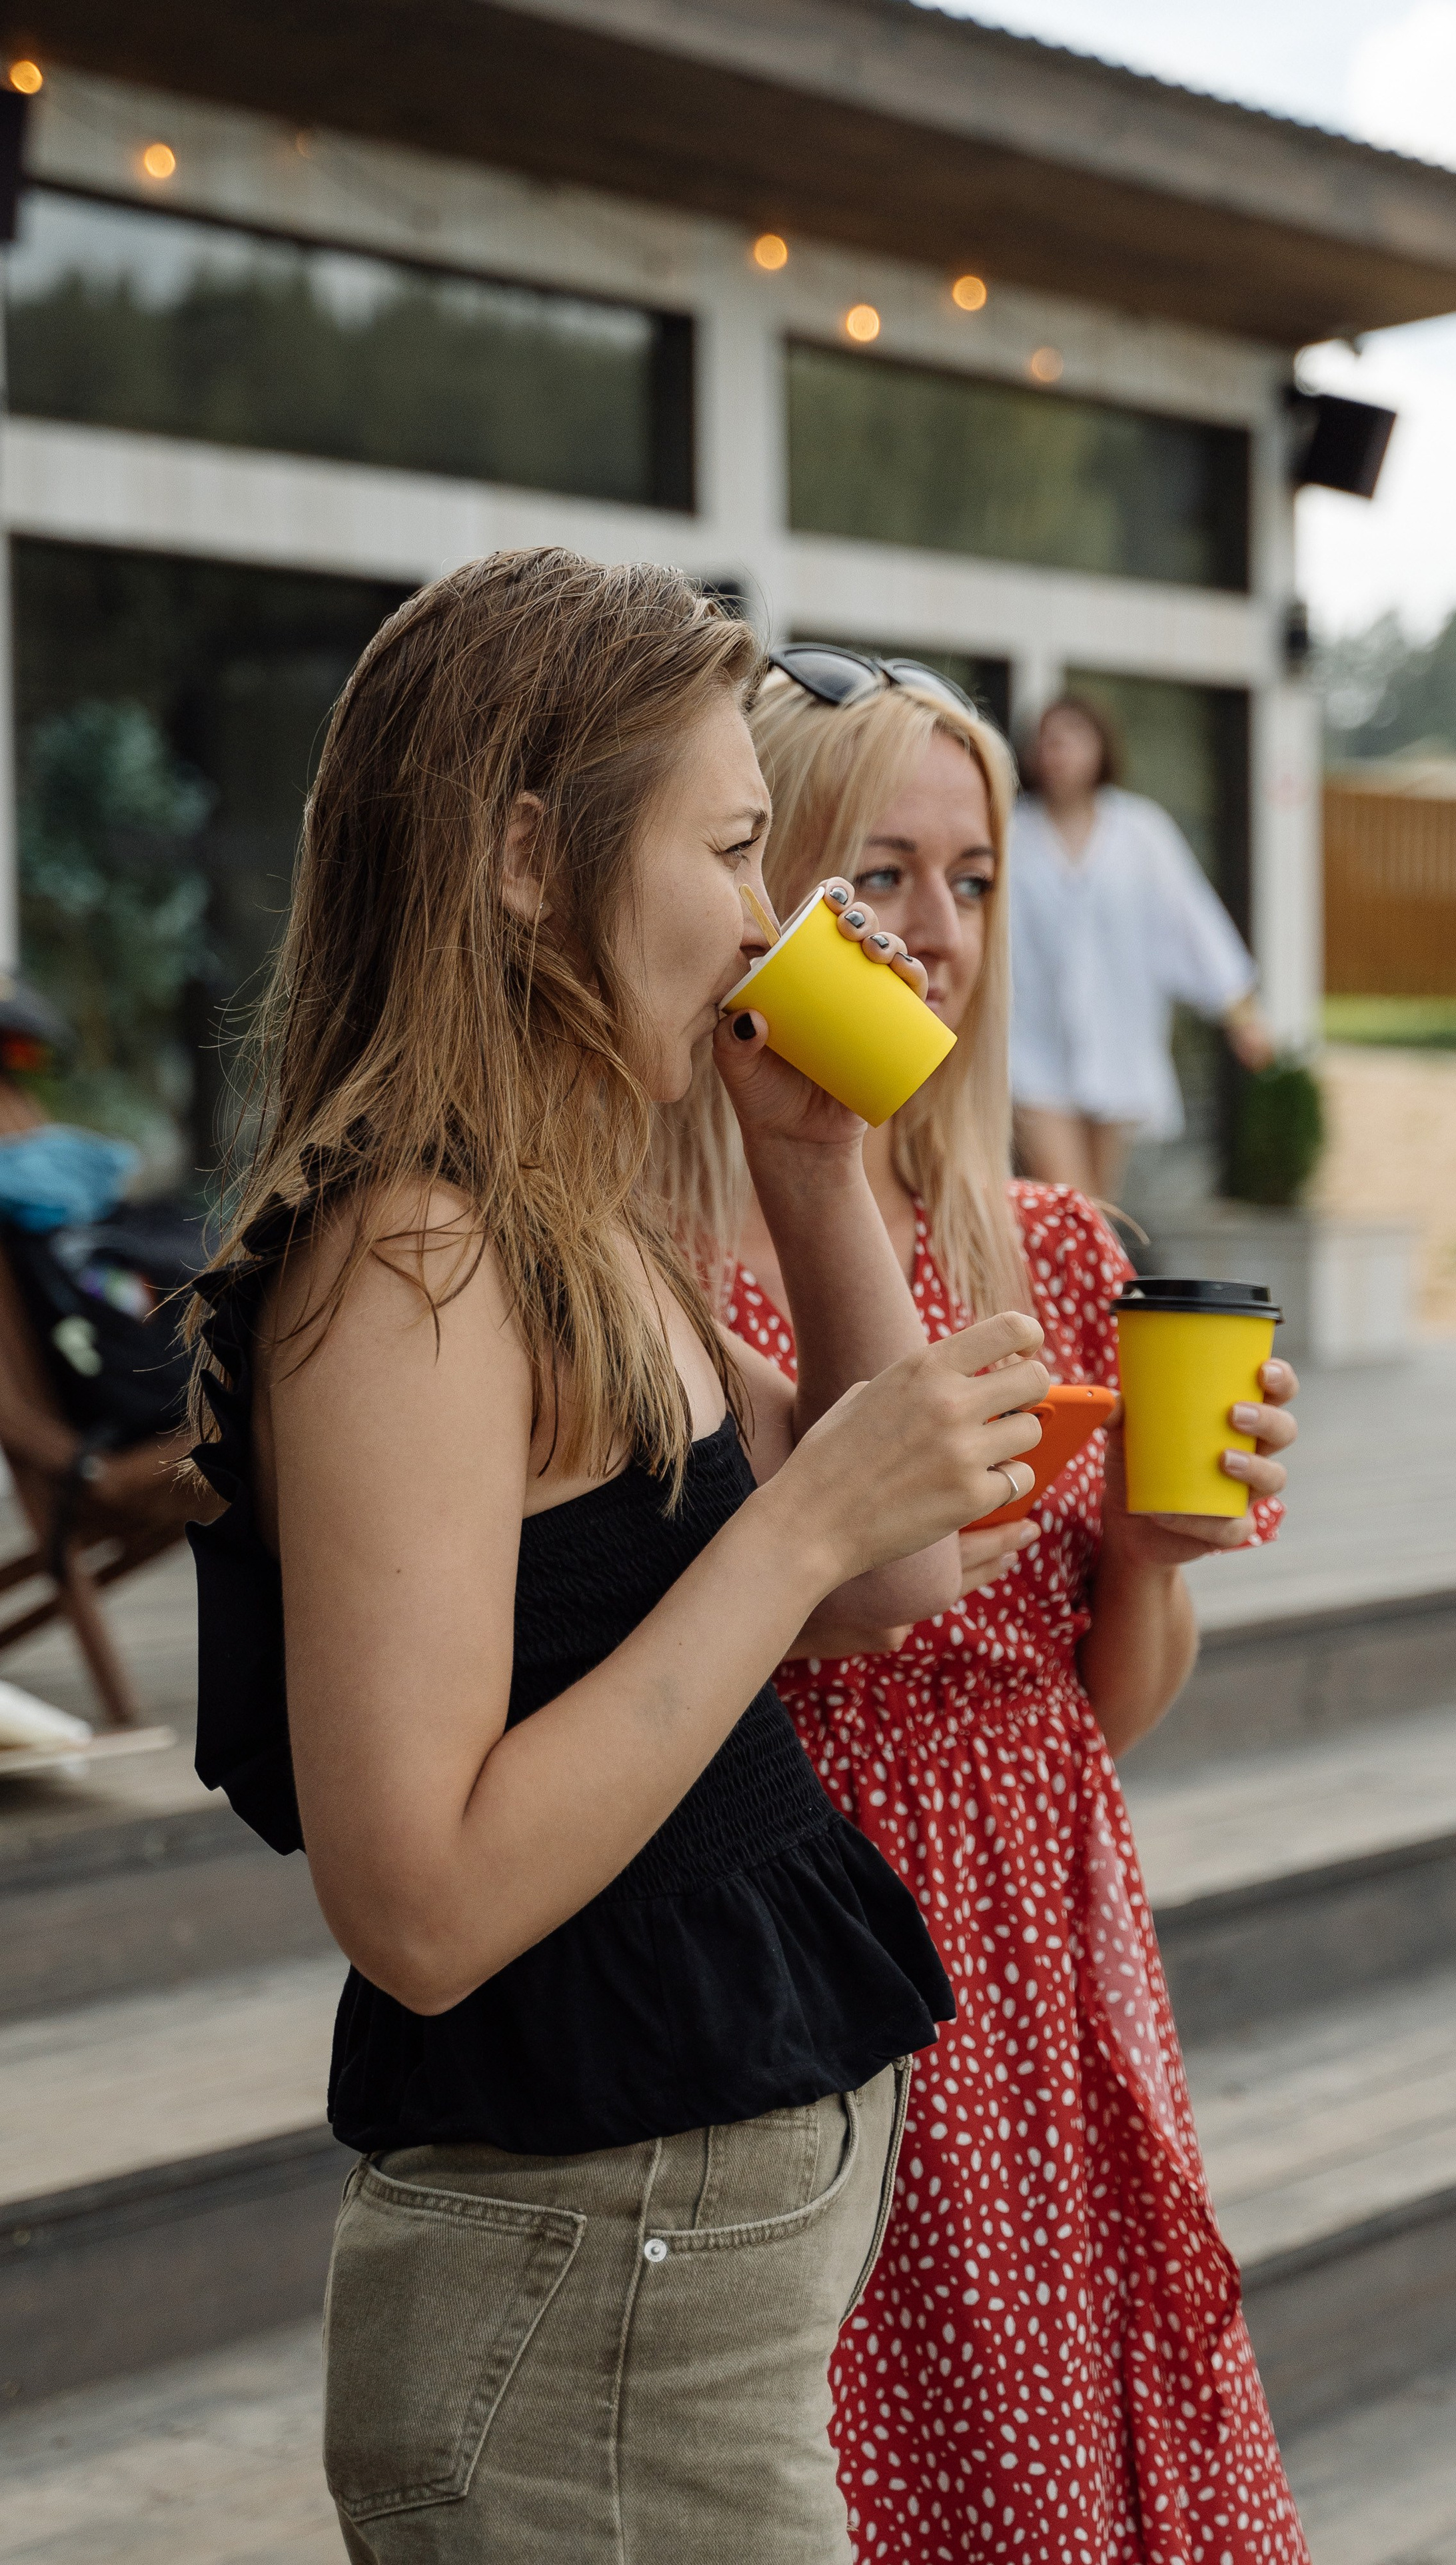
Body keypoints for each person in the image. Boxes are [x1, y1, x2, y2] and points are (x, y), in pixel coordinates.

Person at [183, 559, 1058, 2565]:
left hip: (651, 2286)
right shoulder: (411, 1251)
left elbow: (889, 1585)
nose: (770, 922)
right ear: (519, 855)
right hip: (585, 2301)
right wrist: (822, 1511)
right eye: (737, 848)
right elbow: (417, 1898)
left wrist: (817, 1166)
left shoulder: (562, 1215)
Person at [652, 643, 1309, 2564]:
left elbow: (1091, 1713)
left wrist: (1162, 1567)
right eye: (874, 877)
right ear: (752, 886)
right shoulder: (655, 1265)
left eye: (975, 880)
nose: (932, 934)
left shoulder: (1059, 1248)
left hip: (1033, 1921)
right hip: (785, 1918)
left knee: (1040, 2459)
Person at [1010, 693, 1275, 1201]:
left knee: (1098, 1210)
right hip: (1031, 1049)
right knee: (1070, 1203)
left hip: (1118, 1045)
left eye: (1071, 739)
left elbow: (1192, 920)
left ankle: (1086, 1284)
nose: (1058, 753)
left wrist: (1242, 1014)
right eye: (1048, 741)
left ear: (1100, 749)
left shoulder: (1141, 831)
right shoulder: (1011, 833)